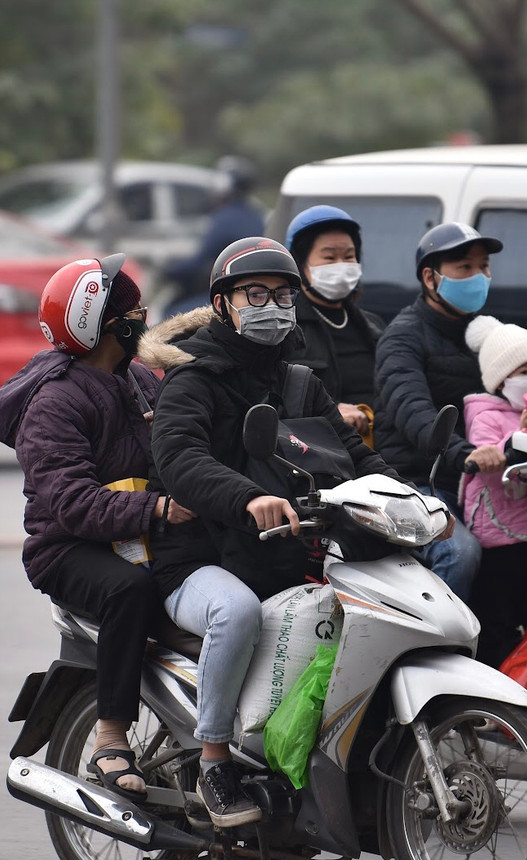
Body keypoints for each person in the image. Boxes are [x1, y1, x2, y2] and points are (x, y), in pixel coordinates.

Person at [139, 237, 409, 828]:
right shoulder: (192, 379)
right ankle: (213, 762)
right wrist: (248, 497)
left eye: (284, 295)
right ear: (222, 303)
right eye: (255, 294)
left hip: (283, 553)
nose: (273, 305)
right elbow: (180, 459)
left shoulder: (298, 382)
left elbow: (349, 457)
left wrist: (407, 499)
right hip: (199, 560)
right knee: (233, 612)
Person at [0, 254, 196, 800]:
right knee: (131, 591)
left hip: (140, 533)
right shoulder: (54, 401)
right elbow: (74, 504)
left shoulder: (140, 381)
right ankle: (110, 736)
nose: (145, 318)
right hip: (69, 548)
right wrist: (159, 508)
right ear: (106, 327)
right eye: (134, 311)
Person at [373, 221, 527, 601]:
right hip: (423, 482)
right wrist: (465, 453)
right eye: (465, 268)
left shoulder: (488, 334)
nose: (479, 277)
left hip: (485, 479)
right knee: (460, 553)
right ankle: (442, 655)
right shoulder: (402, 337)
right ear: (431, 278)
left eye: (484, 267)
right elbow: (412, 410)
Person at [460, 316, 527, 666]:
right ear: (501, 379)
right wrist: (517, 435)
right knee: (497, 619)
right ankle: (494, 695)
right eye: (524, 371)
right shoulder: (484, 414)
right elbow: (487, 458)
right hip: (497, 536)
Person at [284, 205, 385, 444]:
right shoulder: (285, 328)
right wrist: (331, 410)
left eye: (349, 256)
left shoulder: (373, 326)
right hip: (323, 453)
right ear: (300, 264)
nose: (341, 265)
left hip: (381, 453)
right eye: (329, 257)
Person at [161, 155, 265, 318]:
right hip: (253, 290)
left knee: (171, 315)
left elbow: (198, 262)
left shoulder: (225, 218)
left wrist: (168, 269)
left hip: (231, 290)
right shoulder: (254, 215)